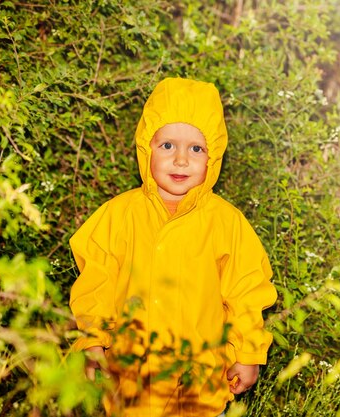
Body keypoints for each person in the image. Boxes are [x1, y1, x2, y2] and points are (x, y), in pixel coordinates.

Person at [69, 77, 278, 416]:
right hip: (131, 387)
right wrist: (93, 341)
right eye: (167, 146)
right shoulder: (119, 215)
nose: (181, 160)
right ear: (145, 148)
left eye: (196, 148)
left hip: (202, 386)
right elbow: (96, 285)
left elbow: (247, 292)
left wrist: (248, 353)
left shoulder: (226, 221)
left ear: (214, 156)